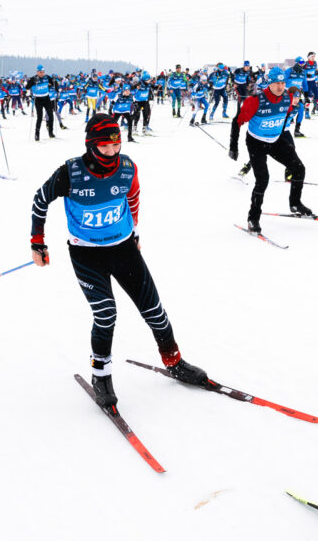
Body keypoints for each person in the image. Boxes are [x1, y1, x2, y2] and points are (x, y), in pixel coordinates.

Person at [29, 114, 208, 408]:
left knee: (154, 309)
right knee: (106, 315)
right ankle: (101, 377)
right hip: (87, 254)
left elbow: (133, 197)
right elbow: (40, 200)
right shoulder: (70, 173)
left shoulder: (127, 168)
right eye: (105, 146)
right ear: (90, 145)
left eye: (116, 145)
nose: (112, 152)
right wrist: (37, 243)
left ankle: (174, 362)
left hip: (123, 248)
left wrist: (134, 231)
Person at [230, 67, 312, 233]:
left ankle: (295, 204)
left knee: (299, 168)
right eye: (277, 83)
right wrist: (233, 147)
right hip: (256, 143)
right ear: (269, 83)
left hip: (275, 140)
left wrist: (283, 137)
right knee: (263, 179)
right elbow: (236, 121)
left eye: (283, 83)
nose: (280, 87)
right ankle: (253, 218)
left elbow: (284, 117)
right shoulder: (255, 101)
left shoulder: (288, 98)